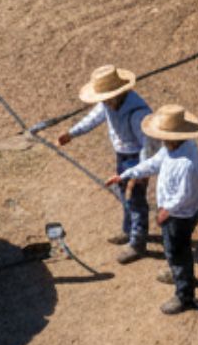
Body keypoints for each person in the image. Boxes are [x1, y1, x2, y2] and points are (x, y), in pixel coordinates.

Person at [107, 105, 198, 315]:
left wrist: (166, 211)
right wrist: (126, 175)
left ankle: (184, 295)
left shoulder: (186, 163)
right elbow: (153, 163)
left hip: (179, 215)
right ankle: (179, 275)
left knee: (177, 251)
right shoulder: (172, 149)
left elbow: (184, 194)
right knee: (179, 249)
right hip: (183, 211)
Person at [59, 65, 153, 264]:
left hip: (135, 158)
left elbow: (148, 144)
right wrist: (72, 133)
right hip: (123, 155)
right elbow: (94, 117)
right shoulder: (108, 103)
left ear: (117, 94)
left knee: (135, 199)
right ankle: (130, 230)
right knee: (124, 195)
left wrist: (141, 173)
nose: (103, 103)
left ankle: (138, 242)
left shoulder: (137, 112)